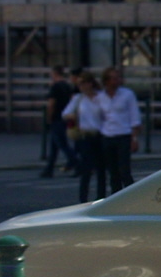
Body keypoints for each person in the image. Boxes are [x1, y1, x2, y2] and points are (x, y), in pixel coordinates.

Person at [97, 66, 142, 193]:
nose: (116, 81)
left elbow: (134, 117)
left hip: (123, 135)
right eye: (113, 79)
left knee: (124, 171)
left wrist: (134, 138)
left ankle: (131, 197)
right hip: (107, 136)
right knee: (113, 172)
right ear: (106, 81)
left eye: (118, 78)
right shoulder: (100, 97)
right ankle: (115, 197)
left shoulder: (127, 95)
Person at [63, 71, 106, 202]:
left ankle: (101, 197)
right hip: (85, 136)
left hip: (101, 135)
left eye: (82, 83)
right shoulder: (78, 99)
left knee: (101, 169)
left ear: (90, 83)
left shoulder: (101, 97)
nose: (80, 86)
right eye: (79, 84)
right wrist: (72, 116)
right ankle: (83, 199)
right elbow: (65, 113)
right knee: (86, 170)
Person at [41, 65, 78, 178]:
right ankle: (49, 168)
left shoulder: (55, 87)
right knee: (55, 144)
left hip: (56, 118)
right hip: (65, 117)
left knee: (61, 144)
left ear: (55, 73)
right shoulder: (67, 86)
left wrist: (49, 118)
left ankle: (77, 163)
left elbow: (51, 104)